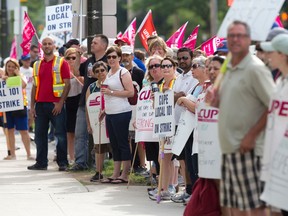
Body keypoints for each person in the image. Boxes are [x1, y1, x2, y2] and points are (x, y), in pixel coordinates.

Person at [215, 20, 275, 215]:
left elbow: (272, 106)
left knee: (254, 207)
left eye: (240, 35)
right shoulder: (230, 68)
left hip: (247, 149)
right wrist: (216, 101)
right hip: (229, 148)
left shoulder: (255, 69)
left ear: (249, 39)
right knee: (233, 207)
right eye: (231, 35)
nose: (235, 40)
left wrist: (251, 135)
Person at [27, 36, 71, 171]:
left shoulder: (62, 62)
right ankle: (41, 162)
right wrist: (32, 106)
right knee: (40, 136)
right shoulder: (36, 64)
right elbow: (35, 86)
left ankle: (63, 163)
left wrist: (60, 103)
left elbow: (67, 84)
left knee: (60, 135)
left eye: (49, 44)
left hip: (55, 104)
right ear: (41, 47)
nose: (47, 46)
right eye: (44, 44)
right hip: (40, 105)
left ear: (54, 46)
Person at [69, 34, 108, 171]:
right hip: (84, 101)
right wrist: (78, 56)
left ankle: (102, 164)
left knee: (101, 134)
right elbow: (76, 71)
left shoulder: (108, 60)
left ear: (103, 45)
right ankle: (80, 162)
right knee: (80, 133)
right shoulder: (89, 60)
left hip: (101, 102)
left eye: (95, 43)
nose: (92, 44)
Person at [260, 34, 288, 216]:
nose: (268, 55)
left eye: (273, 52)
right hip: (277, 159)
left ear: (284, 54)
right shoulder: (279, 82)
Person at [100, 46, 134, 184]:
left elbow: (130, 92)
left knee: (122, 143)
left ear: (120, 58)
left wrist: (112, 93)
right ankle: (115, 173)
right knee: (114, 144)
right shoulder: (109, 73)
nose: (111, 59)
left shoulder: (123, 72)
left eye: (114, 57)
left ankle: (125, 174)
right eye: (109, 57)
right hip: (110, 112)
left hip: (122, 111)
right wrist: (104, 110)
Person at [149, 57, 177, 201]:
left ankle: (171, 186)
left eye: (168, 66)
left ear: (174, 67)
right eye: (163, 66)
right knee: (163, 158)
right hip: (163, 125)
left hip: (175, 124)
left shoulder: (175, 83)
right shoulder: (160, 85)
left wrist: (169, 92)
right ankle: (164, 188)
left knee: (171, 158)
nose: (165, 68)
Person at [1, 58, 33, 160]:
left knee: (23, 130)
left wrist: (17, 73)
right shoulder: (3, 79)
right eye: (8, 66)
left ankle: (29, 154)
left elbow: (24, 84)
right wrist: (3, 79)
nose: (10, 68)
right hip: (8, 107)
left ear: (16, 68)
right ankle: (12, 154)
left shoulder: (20, 77)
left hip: (20, 106)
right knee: (9, 130)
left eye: (13, 67)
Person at [120, 45, 145, 173]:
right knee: (127, 137)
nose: (125, 58)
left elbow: (143, 89)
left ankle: (141, 165)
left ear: (132, 56)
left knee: (138, 137)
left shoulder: (139, 72)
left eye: (127, 55)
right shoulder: (119, 72)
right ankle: (128, 165)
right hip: (124, 107)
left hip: (137, 108)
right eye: (123, 55)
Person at [86, 61, 111, 182]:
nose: (100, 73)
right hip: (97, 121)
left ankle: (119, 172)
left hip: (112, 118)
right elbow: (88, 107)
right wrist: (89, 124)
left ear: (106, 70)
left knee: (115, 146)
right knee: (98, 146)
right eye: (97, 71)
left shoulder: (112, 84)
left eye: (102, 70)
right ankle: (98, 172)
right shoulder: (91, 87)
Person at [64, 48, 83, 163]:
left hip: (79, 100)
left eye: (73, 58)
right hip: (67, 101)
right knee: (70, 131)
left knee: (79, 132)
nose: (71, 60)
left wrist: (77, 74)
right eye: (68, 58)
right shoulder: (63, 70)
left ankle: (79, 156)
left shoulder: (81, 69)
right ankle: (71, 157)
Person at [20, 54, 34, 133]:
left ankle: (28, 128)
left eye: (29, 59)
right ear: (22, 61)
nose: (28, 61)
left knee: (31, 113)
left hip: (31, 93)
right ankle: (25, 129)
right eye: (26, 60)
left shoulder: (32, 70)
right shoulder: (20, 70)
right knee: (25, 114)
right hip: (23, 95)